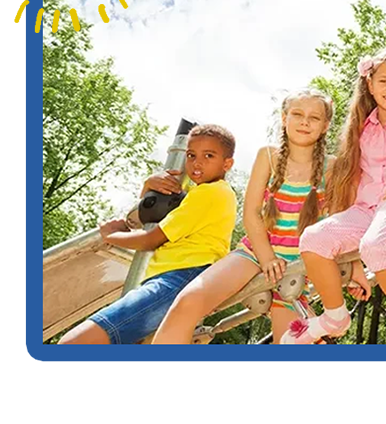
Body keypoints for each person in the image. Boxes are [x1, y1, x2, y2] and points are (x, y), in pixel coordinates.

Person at [151, 90, 358, 344]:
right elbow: (250, 214)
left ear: (326, 126)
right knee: (188, 300)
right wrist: (267, 257)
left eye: (314, 118)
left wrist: (354, 267)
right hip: (255, 253)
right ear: (284, 118)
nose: (305, 122)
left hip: (297, 265)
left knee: (295, 344)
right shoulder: (268, 156)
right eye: (297, 114)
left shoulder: (333, 167)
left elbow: (339, 224)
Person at [287, 49, 386, 345]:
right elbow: (352, 181)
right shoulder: (361, 128)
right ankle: (335, 315)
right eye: (383, 81)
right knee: (312, 238)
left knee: (374, 245)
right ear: (370, 84)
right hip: (366, 209)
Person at [58, 124, 238, 345]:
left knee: (73, 343)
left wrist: (110, 235)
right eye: (191, 155)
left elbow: (150, 239)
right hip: (170, 279)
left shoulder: (211, 193)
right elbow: (154, 215)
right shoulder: (201, 194)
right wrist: (149, 188)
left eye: (208, 156)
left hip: (179, 279)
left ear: (227, 164)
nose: (197, 163)